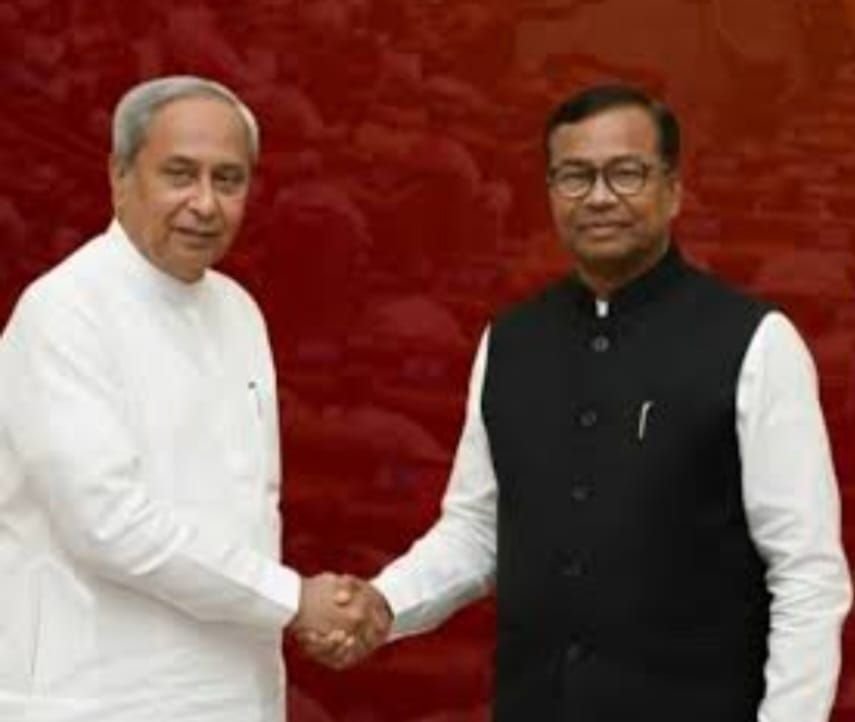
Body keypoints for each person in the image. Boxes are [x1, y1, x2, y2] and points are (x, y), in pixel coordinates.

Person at [307, 84, 853, 721]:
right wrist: (384, 603)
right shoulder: (509, 340)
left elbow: (807, 575)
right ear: (550, 192)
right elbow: (477, 529)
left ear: (673, 190)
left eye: (626, 173)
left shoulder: (757, 341)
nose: (598, 196)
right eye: (575, 176)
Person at [0, 75, 380, 722]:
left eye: (228, 180)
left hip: (236, 689)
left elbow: (248, 509)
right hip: (100, 695)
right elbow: (108, 524)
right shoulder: (64, 311)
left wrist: (307, 610)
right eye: (179, 174)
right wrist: (294, 600)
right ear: (120, 177)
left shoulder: (238, 310)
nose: (205, 204)